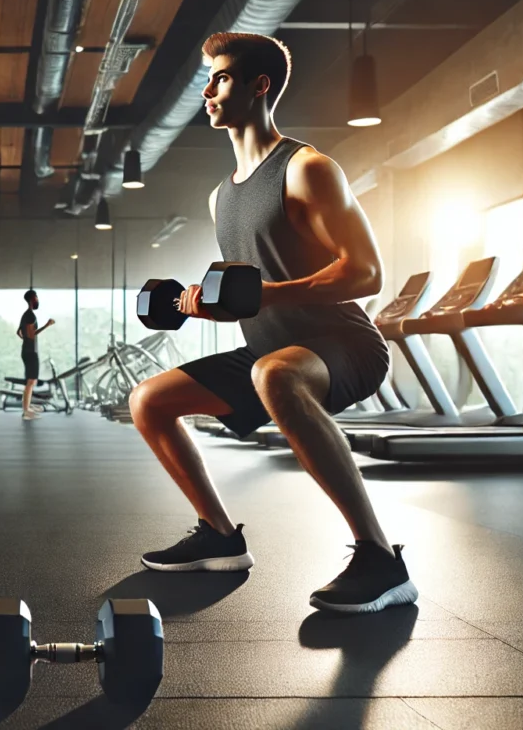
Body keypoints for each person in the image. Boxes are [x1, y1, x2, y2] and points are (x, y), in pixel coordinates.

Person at [128, 32, 416, 614]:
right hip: (268, 350)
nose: (208, 91)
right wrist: (199, 300)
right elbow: (247, 289)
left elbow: (366, 273)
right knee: (148, 400)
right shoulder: (220, 196)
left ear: (260, 86)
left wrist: (265, 296)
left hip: (342, 343)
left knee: (275, 376)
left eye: (223, 78)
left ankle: (380, 559)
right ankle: (218, 535)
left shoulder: (307, 167)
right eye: (208, 80)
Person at [17, 290, 55, 420]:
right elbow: (30, 334)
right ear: (32, 299)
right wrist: (47, 325)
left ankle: (27, 407)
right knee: (31, 381)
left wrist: (27, 339)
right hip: (30, 352)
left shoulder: (25, 315)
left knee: (31, 381)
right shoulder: (30, 316)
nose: (37, 300)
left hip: (28, 350)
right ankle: (26, 411)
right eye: (36, 297)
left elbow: (19, 333)